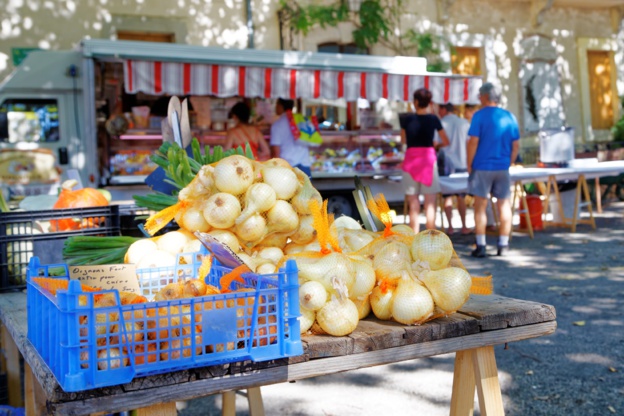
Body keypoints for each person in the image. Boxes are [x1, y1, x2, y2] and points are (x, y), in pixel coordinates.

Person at [467, 82, 520, 257]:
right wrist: (508, 162)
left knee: (480, 207)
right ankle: (503, 244)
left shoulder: (479, 116)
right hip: (502, 167)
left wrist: (470, 163)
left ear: (484, 96)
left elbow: (473, 142)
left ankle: (481, 245)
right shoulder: (509, 116)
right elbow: (516, 146)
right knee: (504, 206)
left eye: (479, 96)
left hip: (482, 167)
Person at [400, 88, 450, 233]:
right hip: (428, 161)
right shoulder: (434, 119)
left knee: (413, 203)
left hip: (411, 161)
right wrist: (436, 145)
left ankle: (413, 238)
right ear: (429, 102)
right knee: (430, 204)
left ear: (415, 102)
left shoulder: (406, 119)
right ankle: (431, 238)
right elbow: (446, 141)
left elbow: (403, 140)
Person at [437, 103, 471, 235]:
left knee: (447, 197)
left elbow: (436, 143)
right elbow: (470, 143)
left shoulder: (440, 123)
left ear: (444, 109)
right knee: (461, 196)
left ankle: (450, 227)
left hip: (445, 163)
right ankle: (464, 226)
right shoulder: (464, 123)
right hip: (462, 162)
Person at [270, 98, 312, 176]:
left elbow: (276, 152)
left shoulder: (277, 125)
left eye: (276, 104)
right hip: (304, 166)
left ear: (281, 106)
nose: (275, 107)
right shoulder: (302, 120)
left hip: (288, 168)